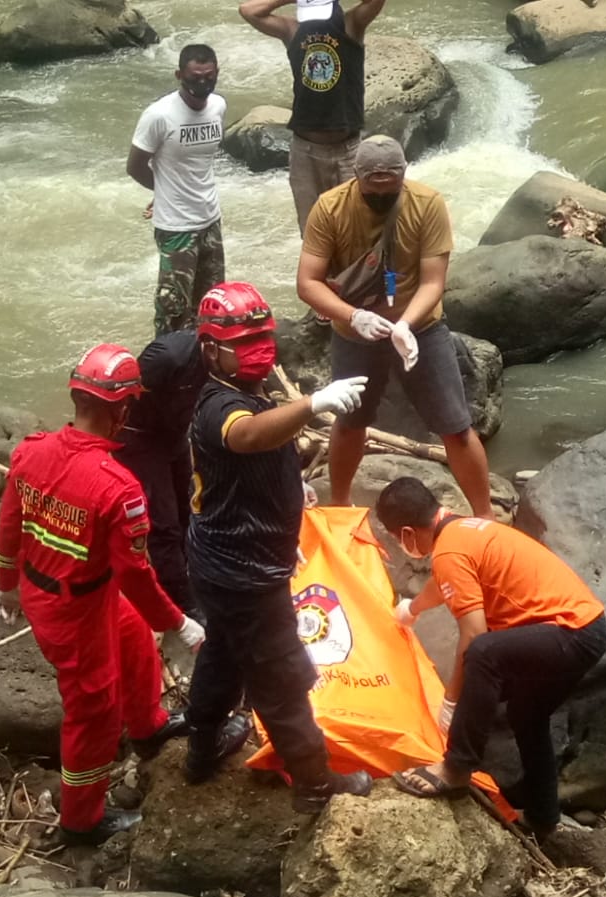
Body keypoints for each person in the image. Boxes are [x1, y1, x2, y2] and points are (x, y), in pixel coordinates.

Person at [0, 344, 208, 844]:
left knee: (133, 638)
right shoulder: (118, 489)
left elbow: (9, 524)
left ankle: (149, 724)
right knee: (93, 711)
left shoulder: (30, 452)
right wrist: (176, 621)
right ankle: (82, 819)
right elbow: (135, 572)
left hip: (66, 590)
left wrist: (8, 583)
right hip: (76, 609)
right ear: (122, 409)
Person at [184, 281, 375, 812]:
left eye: (263, 337)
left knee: (223, 653)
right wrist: (312, 403)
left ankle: (202, 750)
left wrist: (292, 489)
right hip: (241, 571)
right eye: (243, 342)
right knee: (283, 676)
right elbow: (245, 437)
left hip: (227, 557)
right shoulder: (217, 405)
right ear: (211, 350)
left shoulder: (251, 391)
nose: (259, 349)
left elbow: (261, 453)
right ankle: (314, 785)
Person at [375, 477, 606, 836]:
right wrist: (413, 608)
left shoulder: (450, 550)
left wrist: (452, 700)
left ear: (407, 532)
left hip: (570, 631)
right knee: (526, 716)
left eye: (394, 537)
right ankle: (544, 817)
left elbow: (474, 633)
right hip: (585, 627)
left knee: (484, 652)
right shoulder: (466, 529)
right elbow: (444, 582)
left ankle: (456, 768)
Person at [297, 135, 493, 518]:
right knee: (350, 421)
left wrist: (405, 324)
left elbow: (434, 281)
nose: (383, 198)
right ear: (357, 177)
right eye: (374, 191)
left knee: (456, 425)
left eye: (392, 189)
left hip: (419, 328)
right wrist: (353, 316)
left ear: (404, 175)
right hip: (356, 330)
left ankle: (485, 514)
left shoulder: (427, 204)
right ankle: (340, 505)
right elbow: (307, 282)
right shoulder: (331, 208)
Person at [238, 0, 389, 233]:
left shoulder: (351, 25)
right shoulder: (292, 30)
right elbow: (248, 11)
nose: (317, 23)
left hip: (347, 150)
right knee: (314, 233)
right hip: (305, 152)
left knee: (358, 232)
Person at [128, 44, 227, 334]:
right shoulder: (159, 115)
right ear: (179, 75)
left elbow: (201, 163)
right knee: (173, 309)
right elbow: (135, 166)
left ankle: (205, 366)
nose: (202, 84)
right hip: (176, 228)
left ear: (217, 73)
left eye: (208, 77)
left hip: (210, 219)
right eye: (194, 77)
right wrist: (163, 192)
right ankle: (167, 370)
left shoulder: (218, 107)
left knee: (212, 305)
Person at [113, 329, 207, 617]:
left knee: (186, 510)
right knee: (162, 523)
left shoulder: (230, 361)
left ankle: (189, 573)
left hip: (175, 435)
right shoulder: (168, 357)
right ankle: (180, 601)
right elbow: (123, 399)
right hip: (139, 438)